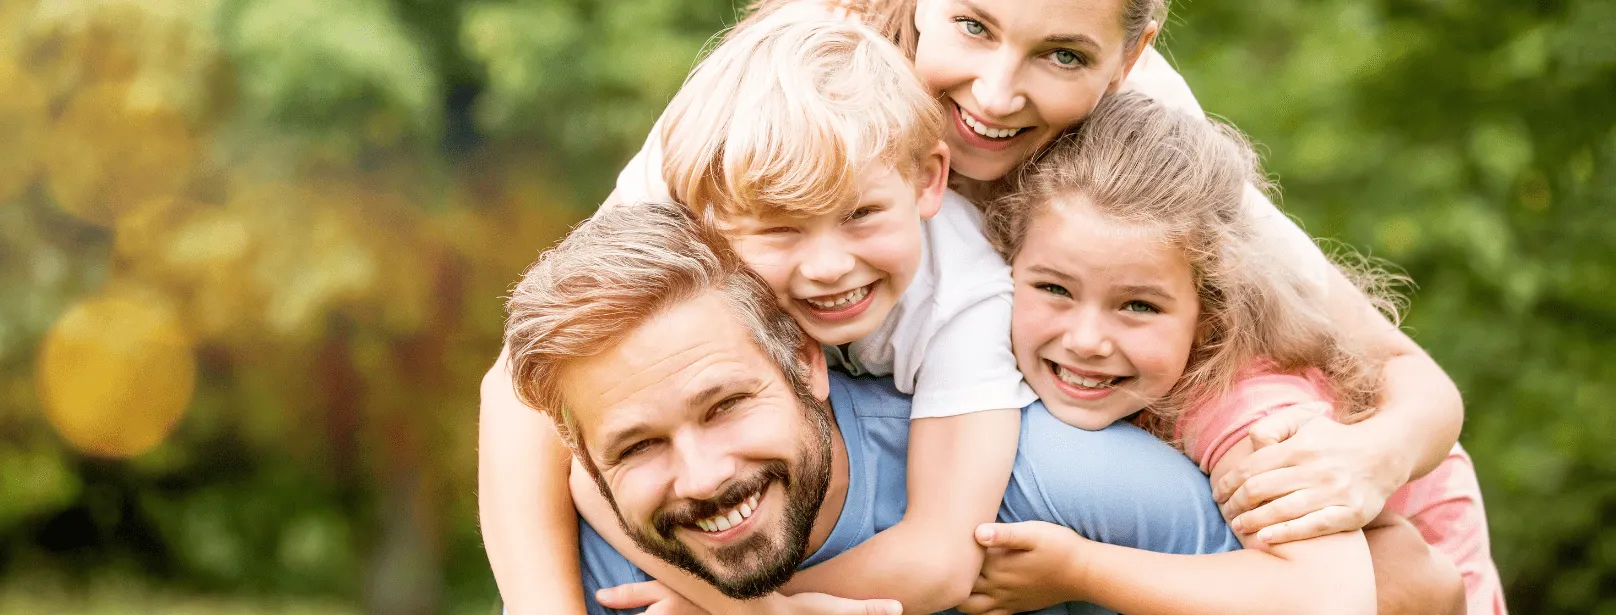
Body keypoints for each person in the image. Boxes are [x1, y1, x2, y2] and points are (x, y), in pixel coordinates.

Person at [484, 0, 1468, 610]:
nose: (997, 91)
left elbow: (1404, 387)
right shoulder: (771, 109)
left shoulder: (1145, 160)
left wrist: (1370, 459)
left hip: (1300, 450)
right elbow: (536, 385)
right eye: (974, 26)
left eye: (1063, 56)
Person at [490, 15, 1031, 614]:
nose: (828, 266)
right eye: (781, 230)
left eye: (861, 215)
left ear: (929, 181)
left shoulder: (966, 300)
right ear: (711, 221)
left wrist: (748, 609)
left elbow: (939, 562)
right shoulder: (697, 217)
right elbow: (576, 457)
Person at [504, 198, 1251, 615]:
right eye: (637, 446)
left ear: (804, 358)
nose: (700, 476)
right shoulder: (587, 577)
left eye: (725, 404)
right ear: (586, 460)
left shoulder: (1049, 480)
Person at [953, 92, 1496, 615]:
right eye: (1054, 289)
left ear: (1209, 312)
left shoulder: (1248, 409)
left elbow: (1321, 600)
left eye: (1138, 306)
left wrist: (1079, 570)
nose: (1086, 340)